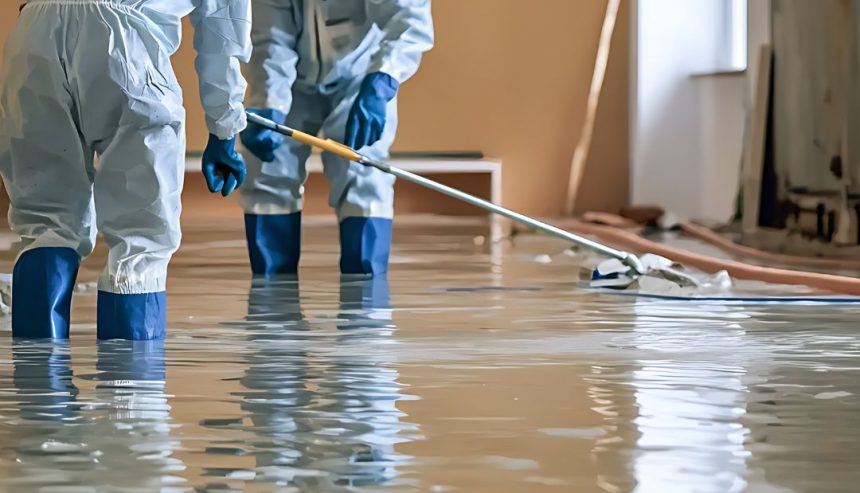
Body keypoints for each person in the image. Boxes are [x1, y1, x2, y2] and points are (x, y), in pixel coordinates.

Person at [0, 0, 252, 340]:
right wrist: (224, 128)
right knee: (141, 239)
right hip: (124, 44)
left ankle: (37, 387)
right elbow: (223, 28)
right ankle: (132, 387)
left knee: (45, 226)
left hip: (33, 34)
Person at [239, 0, 434, 277]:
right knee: (268, 172)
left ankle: (366, 304)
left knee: (364, 174)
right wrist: (270, 101)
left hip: (361, 78)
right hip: (291, 80)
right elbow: (271, 37)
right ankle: (270, 302)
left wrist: (383, 79)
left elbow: (409, 19)